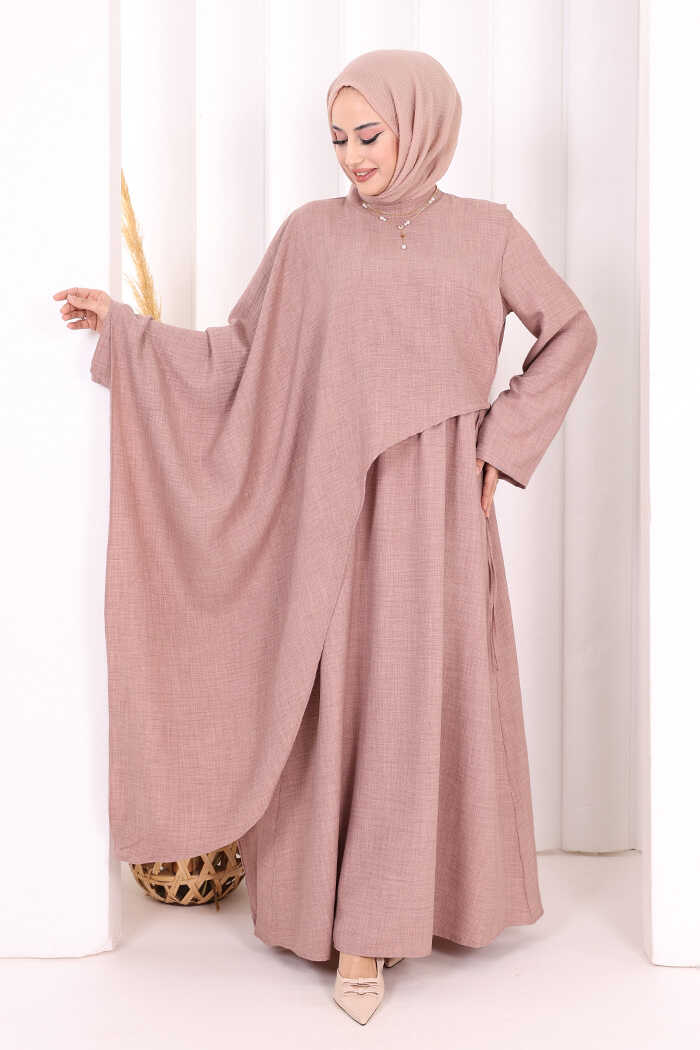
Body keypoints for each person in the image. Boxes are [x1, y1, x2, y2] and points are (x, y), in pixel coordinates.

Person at [53, 49, 597, 1025]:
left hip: (432, 511)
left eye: (370, 134)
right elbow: (240, 356)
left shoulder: (488, 233)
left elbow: (570, 331)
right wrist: (128, 335)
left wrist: (502, 443)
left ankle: (378, 926)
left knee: (410, 697)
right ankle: (322, 910)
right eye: (338, 138)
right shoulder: (310, 235)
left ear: (420, 126)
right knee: (327, 692)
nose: (352, 156)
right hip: (324, 510)